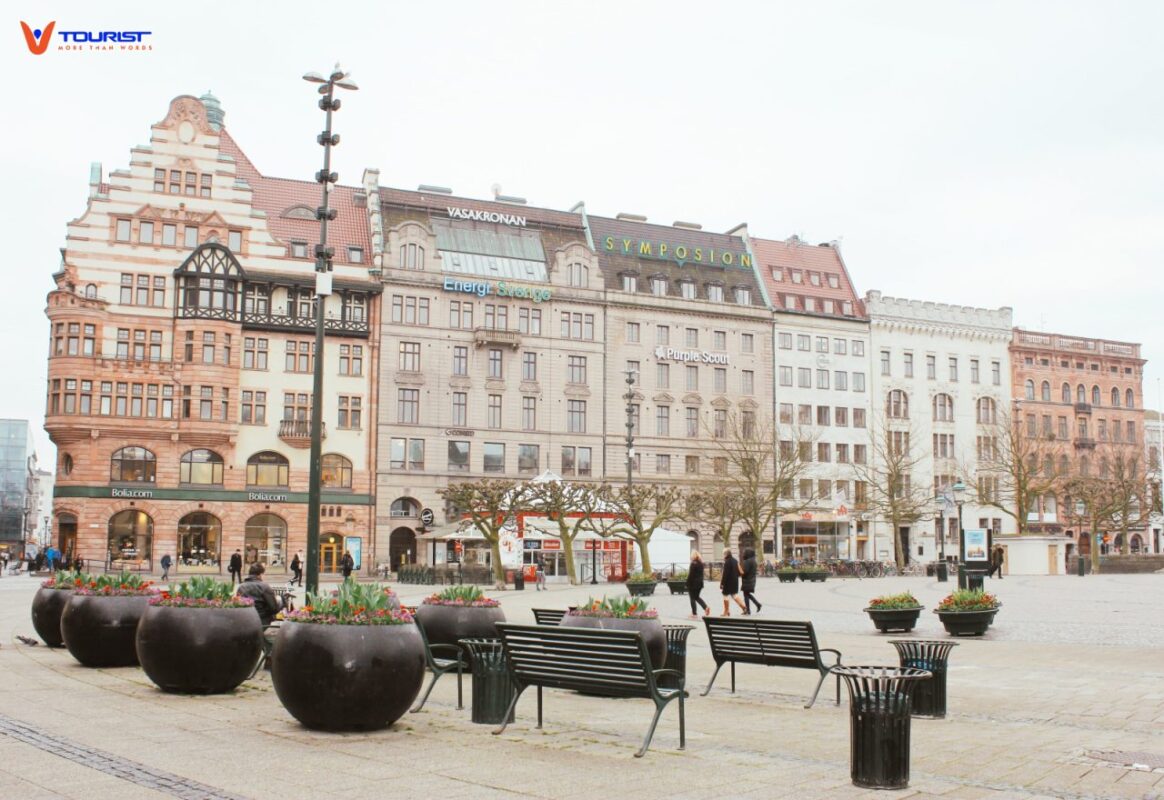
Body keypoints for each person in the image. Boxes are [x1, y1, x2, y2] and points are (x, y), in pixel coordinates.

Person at [719, 548, 746, 616]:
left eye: (723, 554)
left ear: (726, 554)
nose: (723, 555)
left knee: (725, 596)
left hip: (728, 582)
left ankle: (726, 611)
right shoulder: (735, 561)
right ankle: (744, 607)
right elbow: (740, 572)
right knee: (734, 595)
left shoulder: (727, 562)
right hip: (735, 581)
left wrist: (722, 584)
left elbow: (725, 574)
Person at [686, 551, 710, 619]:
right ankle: (705, 607)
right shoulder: (701, 563)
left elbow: (691, 575)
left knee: (692, 598)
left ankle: (694, 614)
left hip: (693, 584)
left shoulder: (693, 563)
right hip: (700, 584)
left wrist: (687, 583)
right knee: (697, 597)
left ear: (693, 556)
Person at [740, 548, 762, 615]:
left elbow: (745, 572)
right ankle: (757, 604)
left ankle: (749, 610)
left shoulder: (747, 561)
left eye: (744, 553)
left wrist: (740, 571)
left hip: (747, 580)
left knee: (746, 595)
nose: (743, 554)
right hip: (752, 580)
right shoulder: (754, 561)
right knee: (747, 594)